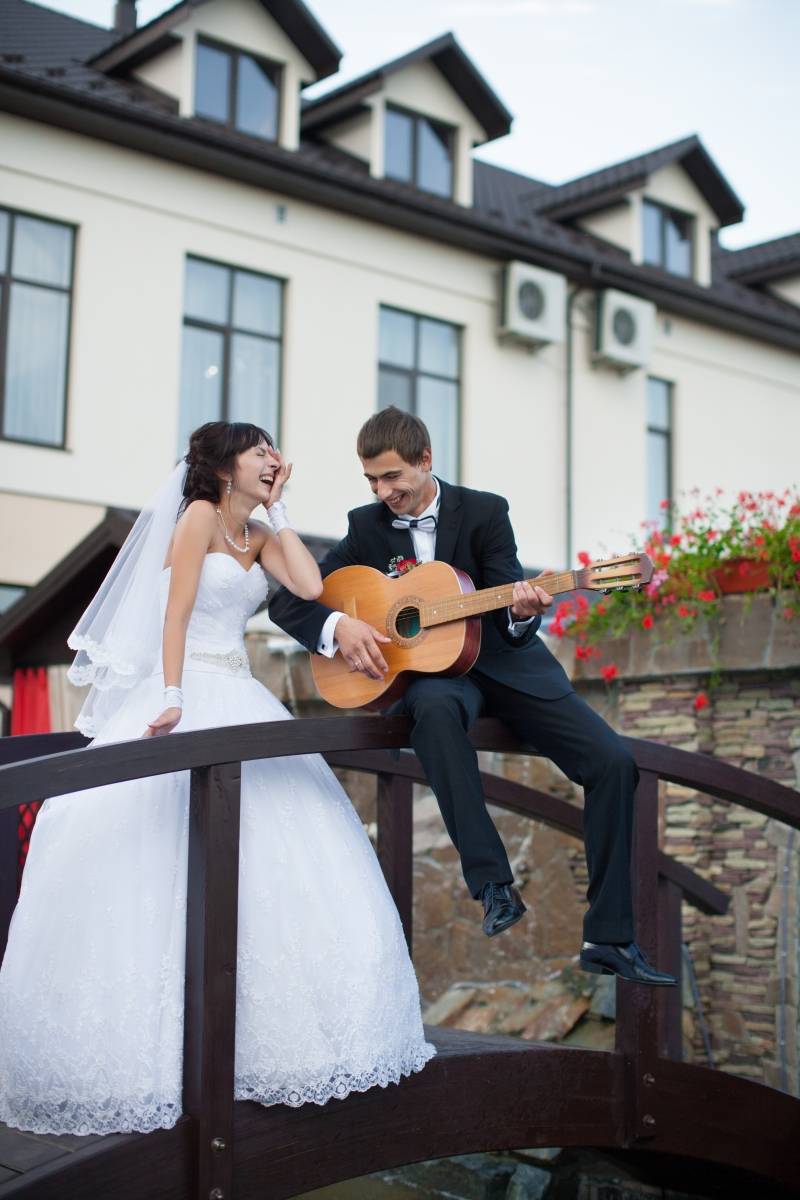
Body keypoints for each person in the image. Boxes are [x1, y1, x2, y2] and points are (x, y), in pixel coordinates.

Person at [0, 421, 435, 1136]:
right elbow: (173, 616)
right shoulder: (198, 517)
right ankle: (150, 1060)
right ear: (225, 466)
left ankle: (273, 1050)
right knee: (161, 854)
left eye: (272, 451)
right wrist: (172, 695)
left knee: (278, 852)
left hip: (242, 695)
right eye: (259, 451)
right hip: (189, 688)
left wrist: (280, 510)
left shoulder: (259, 534)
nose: (271, 459)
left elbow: (310, 586)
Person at [269, 407, 675, 987]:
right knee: (433, 711)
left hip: (509, 667)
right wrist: (341, 627)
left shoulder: (485, 511)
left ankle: (608, 938)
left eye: (392, 477)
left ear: (426, 460)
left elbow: (511, 601)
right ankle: (492, 885)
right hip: (437, 677)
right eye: (372, 480)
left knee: (614, 763)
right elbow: (290, 603)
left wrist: (523, 611)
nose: (383, 492)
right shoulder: (365, 527)